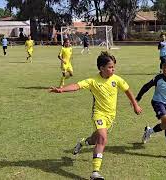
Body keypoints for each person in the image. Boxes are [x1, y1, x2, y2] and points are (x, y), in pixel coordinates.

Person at [50, 51, 142, 180]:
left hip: (111, 116)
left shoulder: (117, 79)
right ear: (101, 68)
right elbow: (77, 86)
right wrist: (61, 89)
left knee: (95, 139)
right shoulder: (93, 81)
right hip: (98, 114)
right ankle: (95, 172)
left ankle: (82, 142)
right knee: (103, 138)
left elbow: (127, 90)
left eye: (113, 67)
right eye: (110, 67)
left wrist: (135, 104)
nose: (113, 69)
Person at [135, 56, 166, 159]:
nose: (165, 69)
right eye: (163, 67)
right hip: (157, 102)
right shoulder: (158, 78)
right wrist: (138, 98)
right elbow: (146, 86)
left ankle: (149, 131)